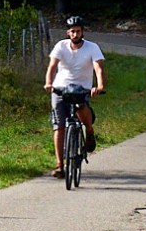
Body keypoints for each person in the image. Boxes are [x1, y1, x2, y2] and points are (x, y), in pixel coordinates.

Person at [44, 15, 105, 178]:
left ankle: (89, 131)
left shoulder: (92, 48)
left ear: (82, 32)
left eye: (78, 31)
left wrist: (99, 86)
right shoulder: (61, 46)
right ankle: (59, 165)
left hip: (81, 89)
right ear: (68, 32)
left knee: (82, 108)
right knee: (59, 126)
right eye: (72, 31)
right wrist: (49, 83)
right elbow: (52, 66)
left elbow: (98, 68)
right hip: (60, 89)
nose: (75, 34)